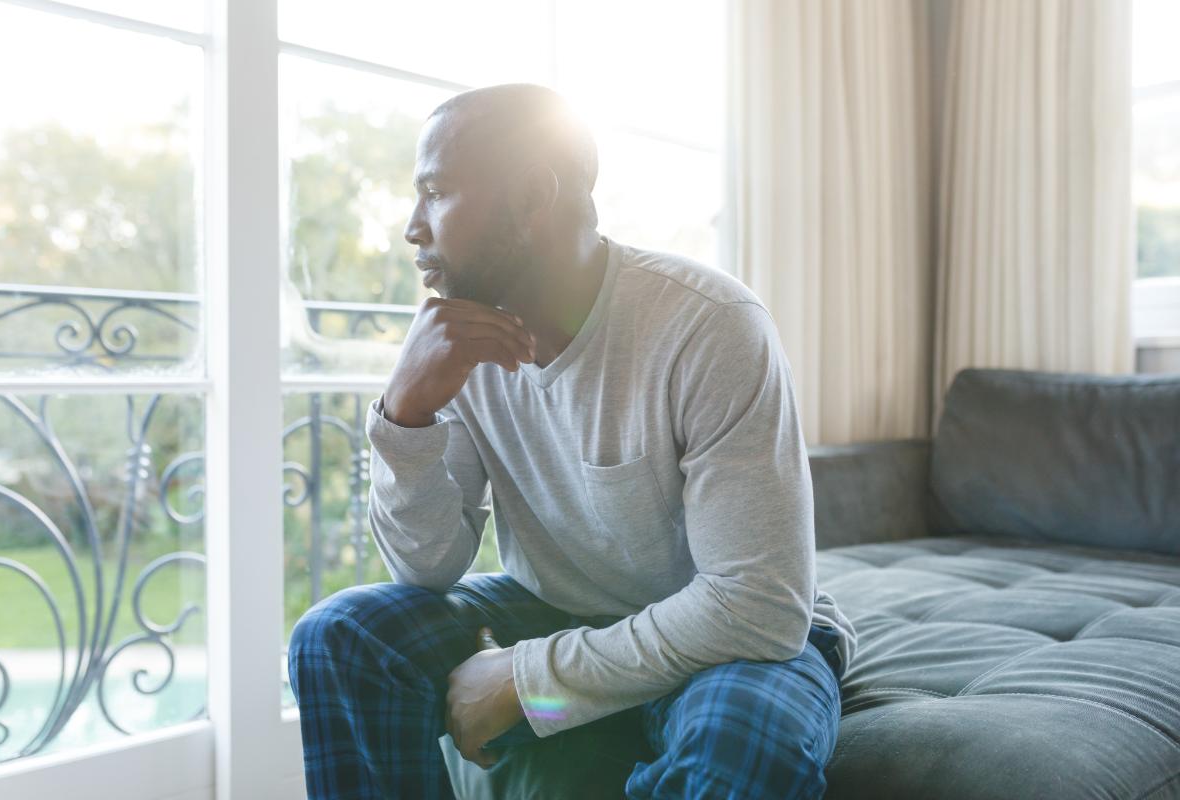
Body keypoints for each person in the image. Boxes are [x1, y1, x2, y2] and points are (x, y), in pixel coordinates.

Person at [288, 83, 857, 800]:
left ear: (531, 198)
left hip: (722, 651)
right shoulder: (461, 343)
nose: (411, 227)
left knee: (739, 751)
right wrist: (404, 417)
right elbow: (427, 567)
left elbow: (757, 606)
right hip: (559, 619)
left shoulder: (708, 325)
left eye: (435, 192)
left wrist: (524, 681)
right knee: (340, 637)